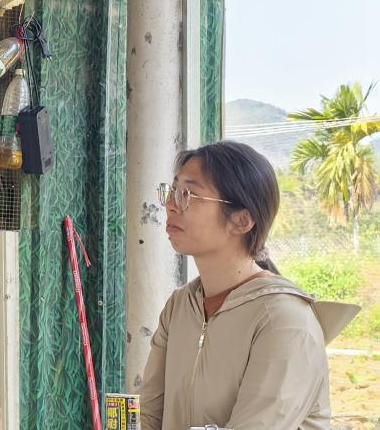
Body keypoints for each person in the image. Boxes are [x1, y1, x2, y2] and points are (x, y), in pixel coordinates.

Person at [142, 140, 358, 430]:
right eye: (172, 191)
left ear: (242, 220)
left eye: (188, 195)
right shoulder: (180, 306)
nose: (170, 205)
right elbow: (148, 417)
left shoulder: (285, 321)